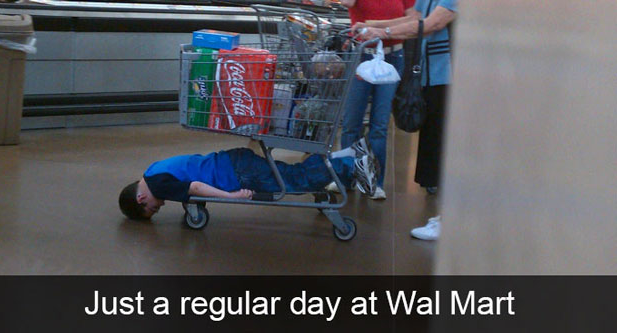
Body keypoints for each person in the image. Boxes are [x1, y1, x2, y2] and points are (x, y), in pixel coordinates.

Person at [356, 0, 457, 240]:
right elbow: (414, 18)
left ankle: (449, 222)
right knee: (436, 145)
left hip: (452, 76)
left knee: (446, 148)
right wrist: (373, 24)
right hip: (434, 75)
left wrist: (383, 32)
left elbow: (432, 24)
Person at [118, 142, 378, 220]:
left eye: (153, 208)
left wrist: (231, 196)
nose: (160, 206)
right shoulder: (151, 171)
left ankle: (350, 165)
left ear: (141, 197)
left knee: (294, 180)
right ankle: (349, 152)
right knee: (289, 173)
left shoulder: (158, 186)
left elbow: (195, 187)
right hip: (232, 161)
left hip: (237, 174)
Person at [332, 0, 415, 200]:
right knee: (352, 122)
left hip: (392, 56)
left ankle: (373, 182)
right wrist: (390, 26)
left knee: (379, 124)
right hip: (361, 54)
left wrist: (375, 25)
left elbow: (414, 19)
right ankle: (345, 177)